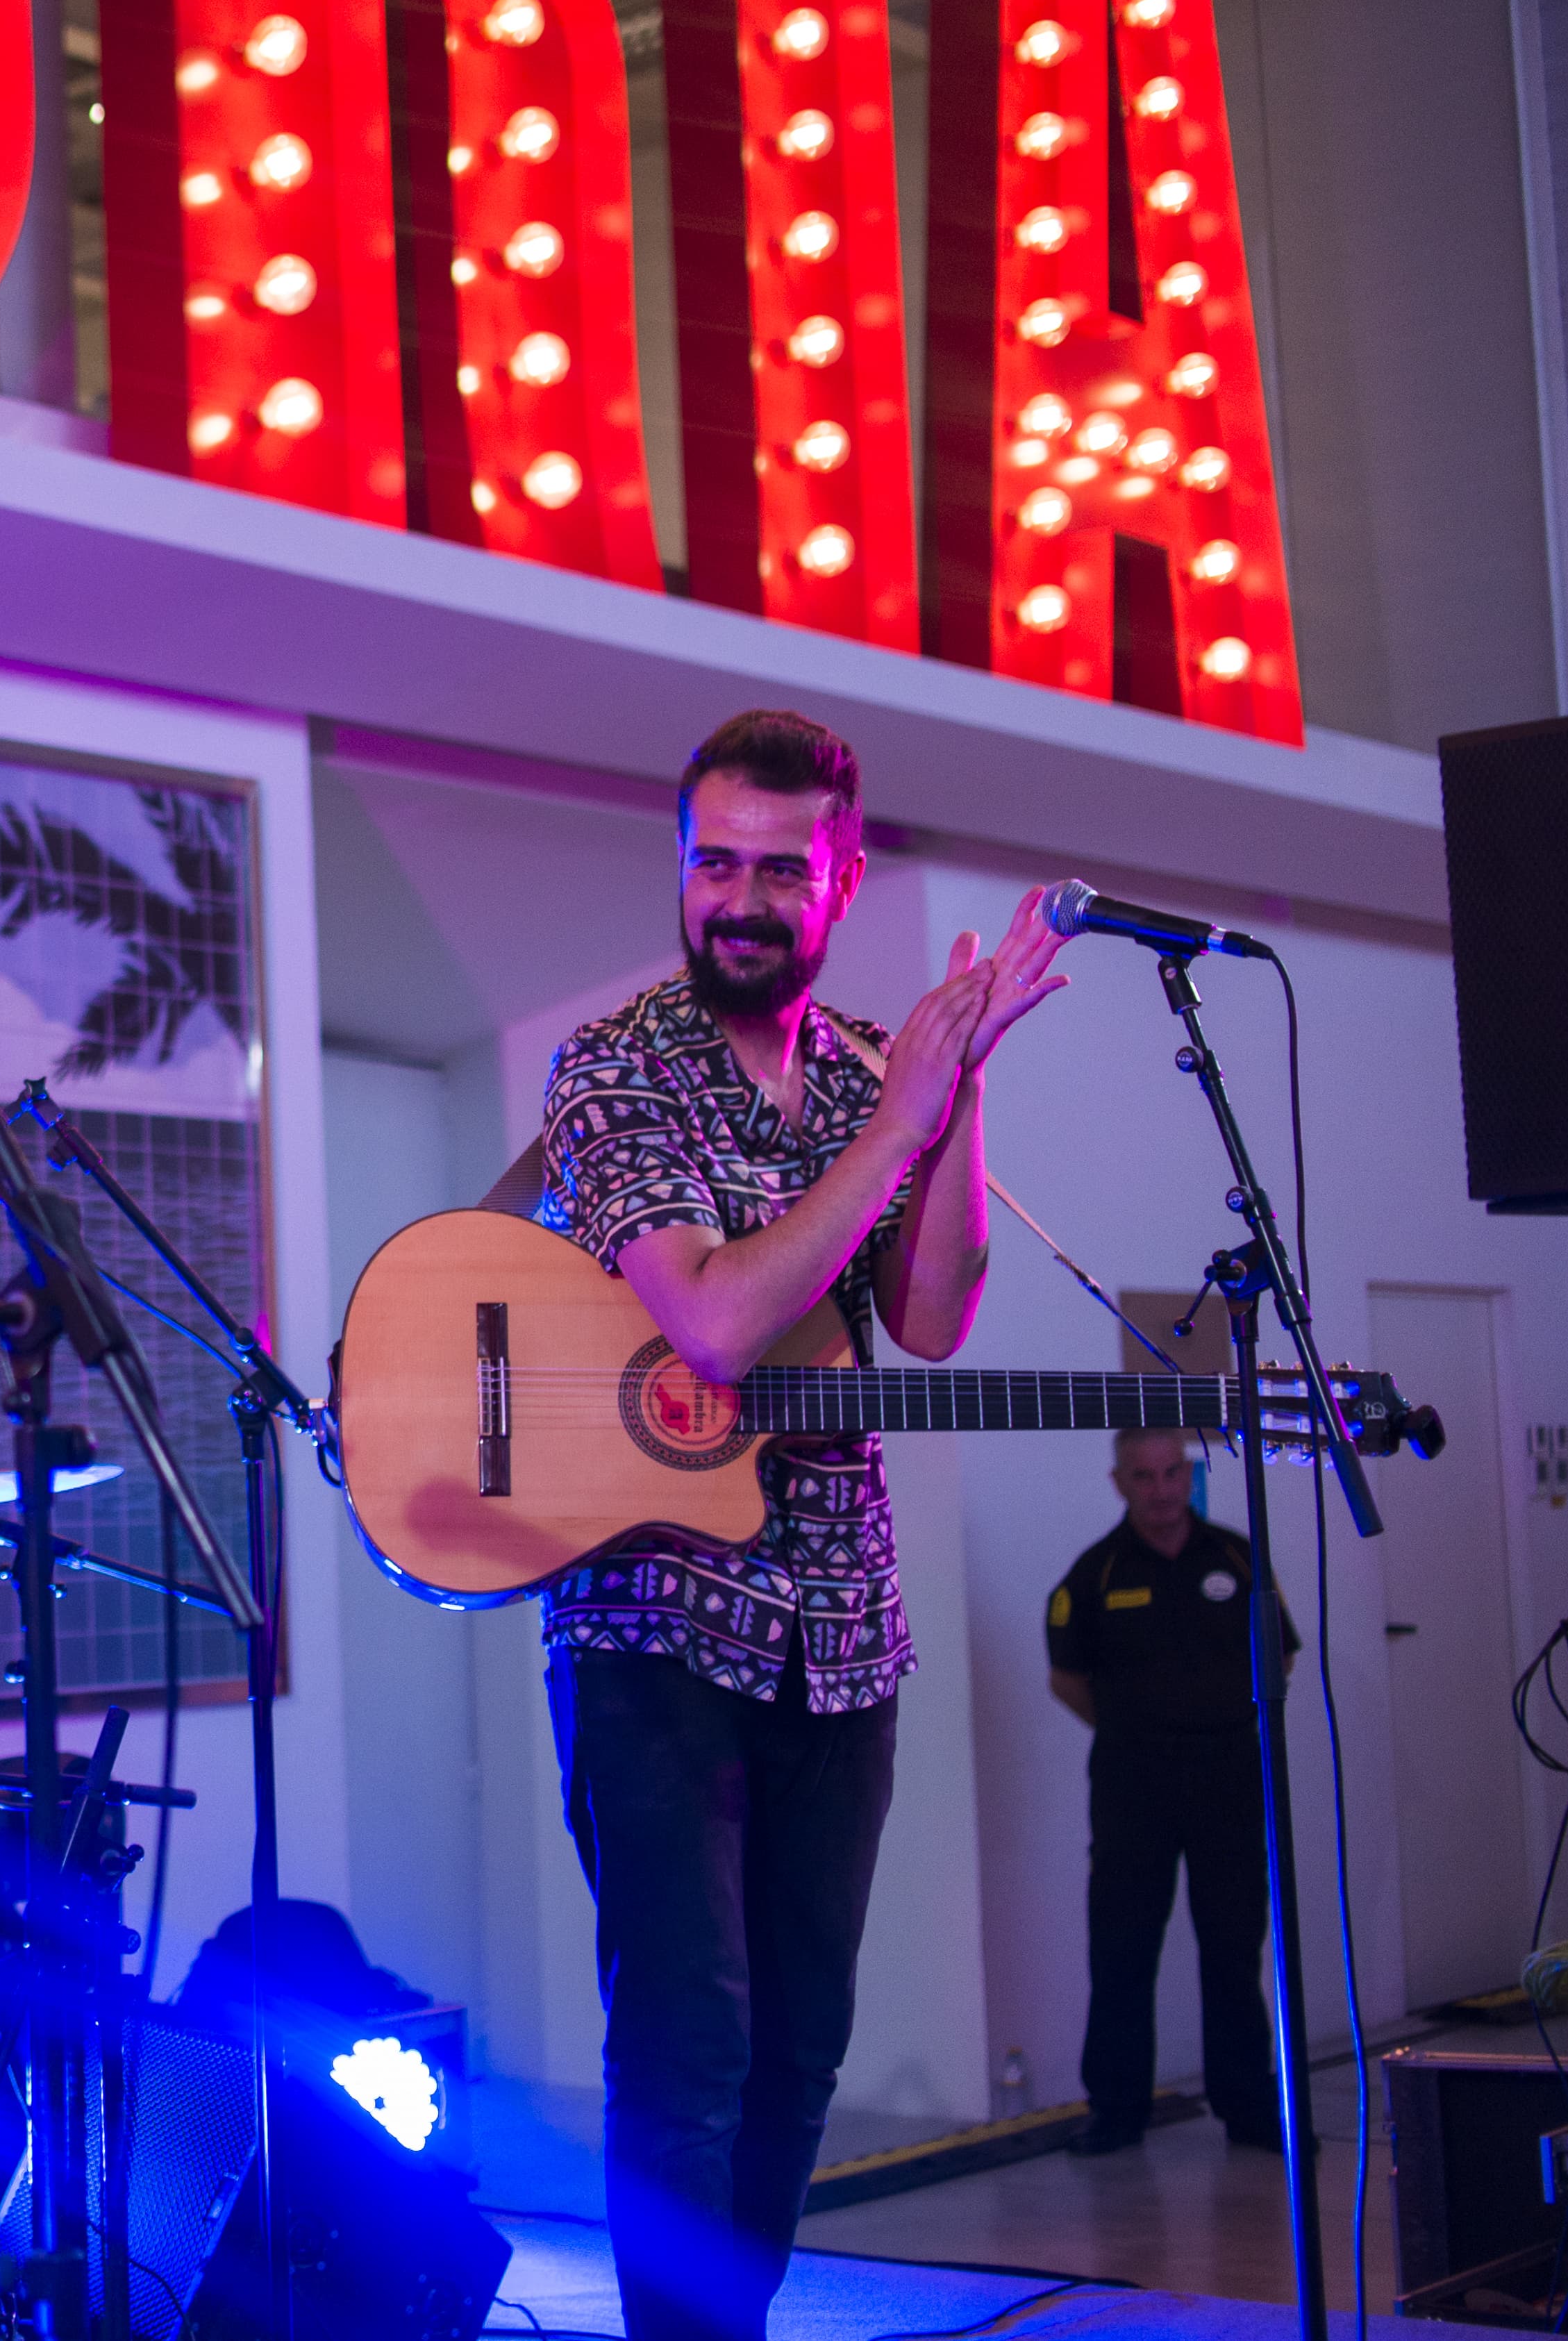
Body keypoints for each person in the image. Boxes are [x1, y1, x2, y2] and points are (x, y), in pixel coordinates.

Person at [532, 709, 1068, 2341]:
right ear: (680, 870)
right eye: (713, 865)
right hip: (650, 1631)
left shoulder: (865, 1072)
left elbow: (928, 1318)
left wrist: (950, 1089)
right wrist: (893, 1129)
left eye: (781, 869)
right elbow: (709, 1323)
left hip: (842, 1633)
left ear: (837, 878)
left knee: (795, 2057)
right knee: (686, 2050)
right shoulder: (613, 1063)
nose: (741, 901)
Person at [1046, 1425, 1297, 2155]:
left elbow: (1277, 1657)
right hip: (1133, 1787)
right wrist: (1143, 1733)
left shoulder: (1237, 1557)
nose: (1160, 1490)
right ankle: (1117, 2111)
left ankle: (1251, 2109)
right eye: (1143, 1476)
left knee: (1233, 1945)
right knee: (1122, 1948)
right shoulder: (1094, 1572)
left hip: (1228, 1779)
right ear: (1119, 1482)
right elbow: (1068, 1679)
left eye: (1171, 1473)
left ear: (1188, 1476)